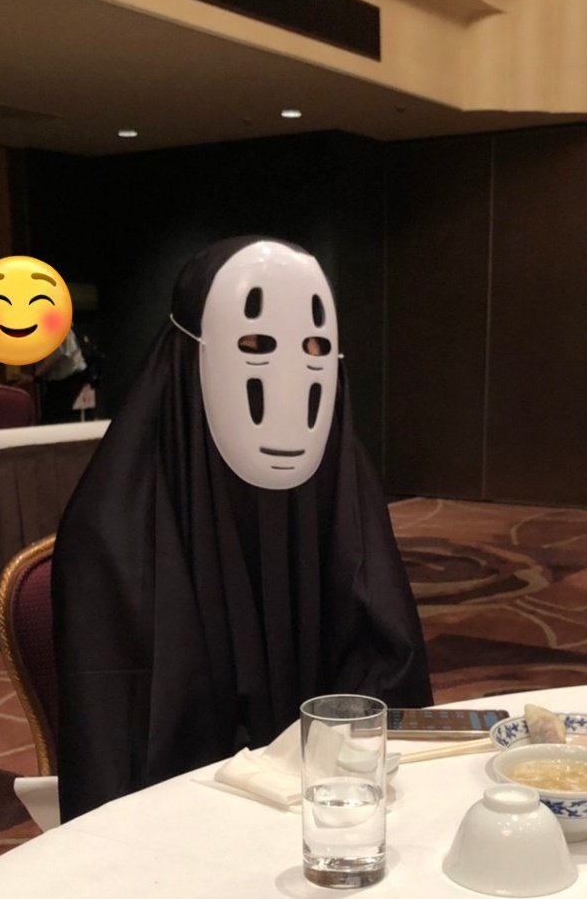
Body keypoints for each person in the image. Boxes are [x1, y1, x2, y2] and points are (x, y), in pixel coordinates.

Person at [52, 236, 431, 821]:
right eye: (255, 346)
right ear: (190, 352)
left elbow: (385, 656)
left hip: (329, 810)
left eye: (314, 348)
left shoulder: (339, 488)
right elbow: (121, 737)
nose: (288, 378)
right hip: (184, 826)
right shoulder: (113, 533)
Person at [33, 327, 88, 423]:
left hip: (68, 378)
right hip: (66, 377)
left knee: (53, 419)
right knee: (56, 417)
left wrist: (35, 376)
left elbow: (56, 355)